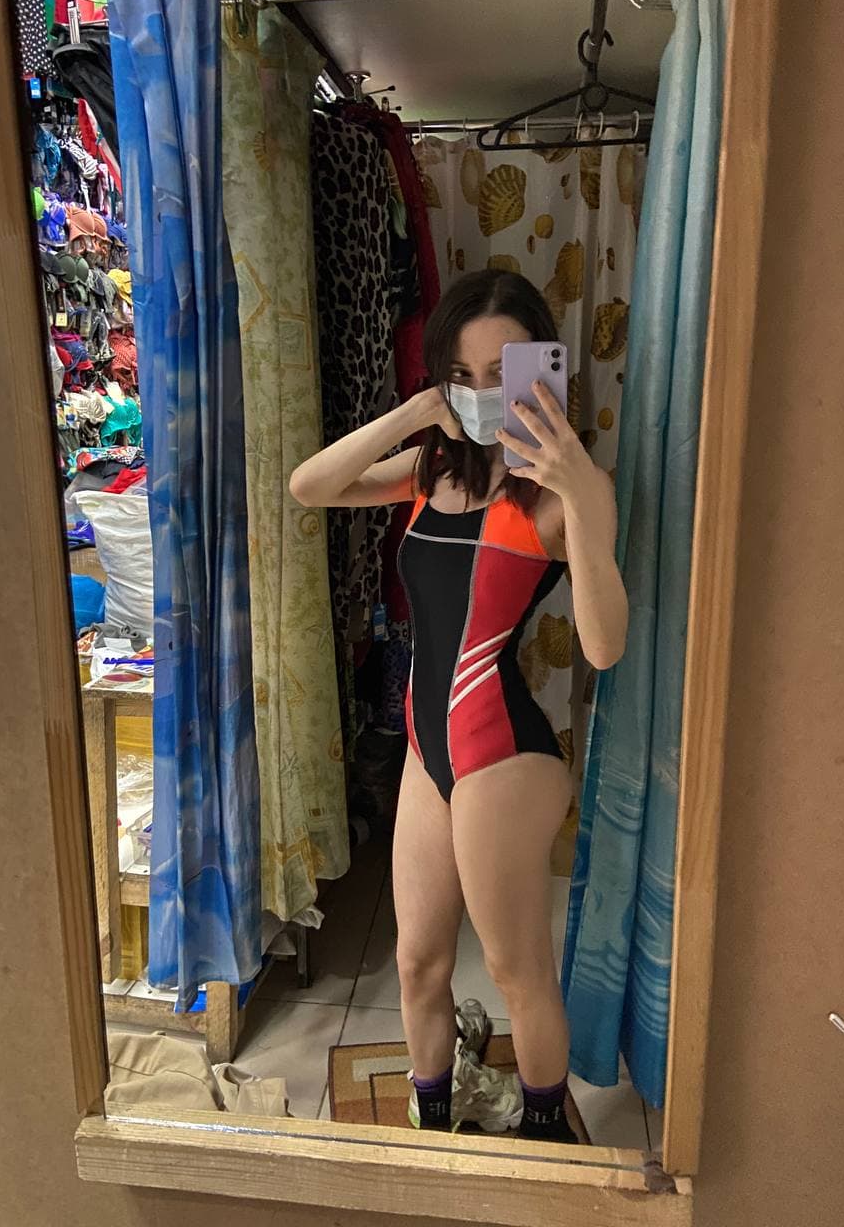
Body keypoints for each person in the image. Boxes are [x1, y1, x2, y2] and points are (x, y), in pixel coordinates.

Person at [290, 270, 627, 1141]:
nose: (482, 393)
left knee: (516, 970)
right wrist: (415, 413)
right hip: (425, 747)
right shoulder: (430, 470)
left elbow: (603, 647)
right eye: (463, 375)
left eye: (503, 373)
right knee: (416, 963)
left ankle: (546, 1134)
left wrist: (583, 495)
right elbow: (310, 486)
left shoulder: (566, 493)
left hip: (502, 751)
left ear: (542, 371)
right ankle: (435, 1123)